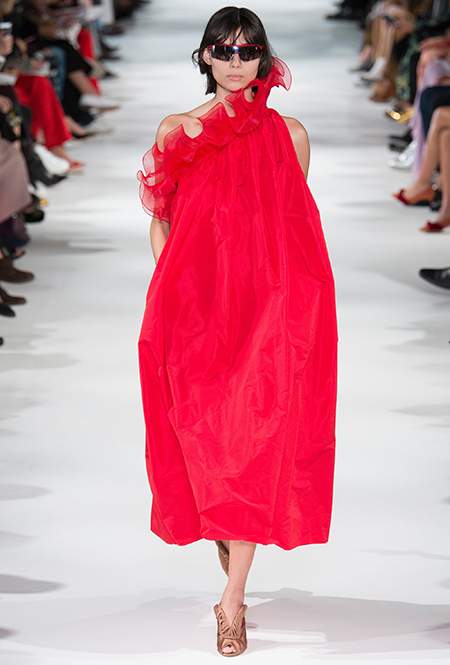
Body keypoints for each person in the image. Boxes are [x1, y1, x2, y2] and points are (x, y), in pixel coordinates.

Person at [137, 6, 338, 657]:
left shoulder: (290, 135)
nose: (235, 61)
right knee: (202, 436)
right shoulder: (177, 131)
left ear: (262, 58)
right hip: (196, 313)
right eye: (222, 50)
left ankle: (232, 601)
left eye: (247, 50)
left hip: (265, 315)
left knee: (253, 442)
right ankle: (229, 528)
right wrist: (171, 290)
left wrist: (293, 312)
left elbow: (290, 228)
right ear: (204, 56)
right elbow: (163, 222)